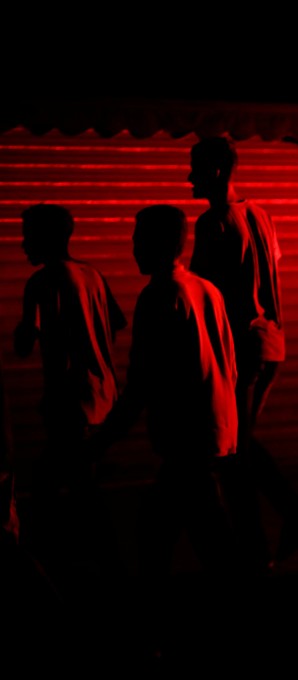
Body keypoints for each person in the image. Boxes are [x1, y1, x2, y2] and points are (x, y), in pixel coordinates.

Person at [85, 204, 243, 653]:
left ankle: (154, 628)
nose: (133, 247)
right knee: (193, 528)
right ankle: (216, 617)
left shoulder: (159, 296)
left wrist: (103, 439)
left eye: (139, 239)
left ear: (159, 243)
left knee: (162, 532)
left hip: (186, 436)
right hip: (213, 430)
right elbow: (228, 363)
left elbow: (142, 381)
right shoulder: (206, 289)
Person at [188, 136, 298, 569]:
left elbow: (201, 289)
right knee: (241, 441)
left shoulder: (214, 223)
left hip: (240, 345)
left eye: (195, 168)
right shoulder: (261, 214)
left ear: (216, 170)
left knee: (234, 449)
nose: (189, 177)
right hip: (271, 341)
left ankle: (273, 534)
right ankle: (281, 526)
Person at [13, 203, 127, 578]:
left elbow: (24, 344)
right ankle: (91, 559)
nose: (23, 244)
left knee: (62, 483)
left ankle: (81, 563)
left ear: (45, 238)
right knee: (76, 479)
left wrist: (26, 332)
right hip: (102, 394)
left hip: (70, 399)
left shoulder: (43, 282)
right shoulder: (91, 273)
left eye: (28, 236)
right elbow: (116, 322)